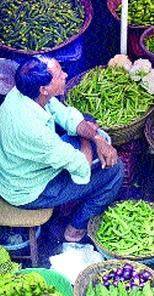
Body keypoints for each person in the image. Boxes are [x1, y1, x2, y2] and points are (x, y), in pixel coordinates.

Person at [0, 56, 124, 242]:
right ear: (44, 89)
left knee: (85, 121)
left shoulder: (22, 93)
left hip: (21, 168)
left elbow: (65, 115)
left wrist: (97, 138)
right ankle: (75, 228)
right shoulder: (35, 132)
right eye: (60, 75)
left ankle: (67, 202)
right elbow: (82, 166)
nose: (65, 75)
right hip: (30, 191)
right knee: (115, 171)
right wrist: (86, 138)